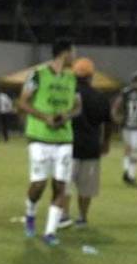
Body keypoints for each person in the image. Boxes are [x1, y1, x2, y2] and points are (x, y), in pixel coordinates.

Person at [17, 38, 82, 247]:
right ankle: (30, 214)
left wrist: (67, 115)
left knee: (61, 186)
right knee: (39, 184)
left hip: (64, 139)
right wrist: (45, 117)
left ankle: (50, 232)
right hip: (40, 137)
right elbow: (22, 102)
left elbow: (78, 107)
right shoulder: (38, 74)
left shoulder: (73, 79)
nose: (75, 57)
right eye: (74, 53)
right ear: (65, 53)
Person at [69, 58, 114, 227]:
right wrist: (106, 143)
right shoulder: (100, 97)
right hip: (91, 146)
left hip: (69, 145)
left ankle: (63, 216)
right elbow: (108, 123)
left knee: (64, 184)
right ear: (91, 76)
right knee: (86, 187)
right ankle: (82, 217)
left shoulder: (69, 95)